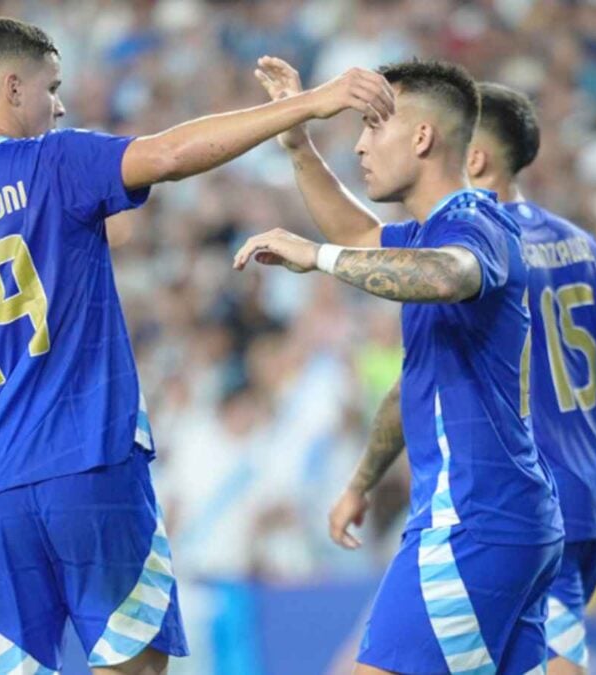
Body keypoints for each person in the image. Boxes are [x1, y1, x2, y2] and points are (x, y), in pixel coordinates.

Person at [0, 17, 396, 675]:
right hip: (92, 468)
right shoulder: (54, 162)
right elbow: (170, 154)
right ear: (11, 87)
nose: (59, 106)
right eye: (51, 88)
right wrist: (310, 102)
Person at [235, 58, 564, 673]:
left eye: (371, 126)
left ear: (421, 138)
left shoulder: (475, 222)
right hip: (505, 517)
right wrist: (297, 141)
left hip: (474, 518)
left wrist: (317, 257)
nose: (359, 144)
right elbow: (360, 236)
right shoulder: (428, 233)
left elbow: (446, 276)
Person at [467, 82, 596, 674]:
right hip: (592, 491)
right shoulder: (583, 244)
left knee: (549, 656)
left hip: (531, 497)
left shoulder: (479, 246)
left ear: (473, 156)